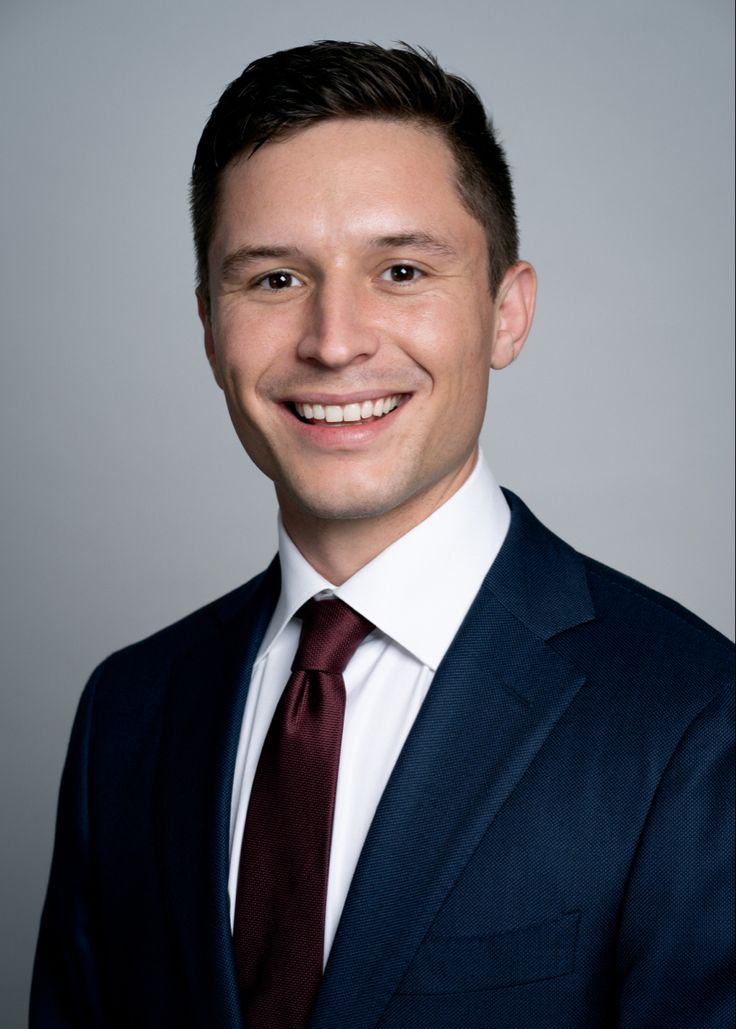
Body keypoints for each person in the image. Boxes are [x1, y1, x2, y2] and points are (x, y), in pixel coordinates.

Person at [31, 41, 734, 1029]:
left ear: (505, 311)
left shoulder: (694, 719)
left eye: (401, 269)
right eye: (273, 280)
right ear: (207, 330)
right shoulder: (130, 711)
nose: (333, 339)